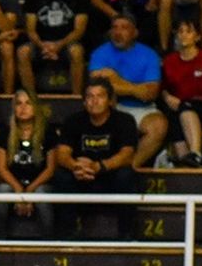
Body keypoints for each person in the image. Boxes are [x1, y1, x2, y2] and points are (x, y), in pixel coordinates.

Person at [51, 76, 141, 237]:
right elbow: (62, 154)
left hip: (109, 177)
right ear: (84, 101)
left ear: (110, 101)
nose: (94, 101)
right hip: (82, 177)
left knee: (126, 175)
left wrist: (98, 166)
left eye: (100, 96)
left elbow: (127, 155)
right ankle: (66, 235)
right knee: (61, 176)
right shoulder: (73, 121)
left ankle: (126, 235)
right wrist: (76, 166)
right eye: (90, 96)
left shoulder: (124, 120)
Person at [88, 9, 167, 167]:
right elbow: (97, 88)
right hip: (111, 107)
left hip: (142, 109)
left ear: (135, 32)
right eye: (115, 27)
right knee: (101, 100)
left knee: (159, 126)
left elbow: (151, 93)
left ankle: (128, 167)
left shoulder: (149, 55)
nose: (118, 32)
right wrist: (136, 89)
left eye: (124, 28)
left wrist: (116, 80)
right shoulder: (100, 53)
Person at [159, 18, 202, 168]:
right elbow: (163, 88)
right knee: (174, 116)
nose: (183, 35)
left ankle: (196, 154)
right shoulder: (169, 61)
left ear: (197, 37)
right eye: (180, 32)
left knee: (185, 106)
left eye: (188, 31)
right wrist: (167, 96)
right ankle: (185, 162)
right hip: (180, 109)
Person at [19, 0, 88, 96]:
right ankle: (31, 99)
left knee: (77, 52)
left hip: (67, 43)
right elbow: (30, 29)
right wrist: (42, 45)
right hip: (40, 44)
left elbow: (79, 30)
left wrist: (58, 45)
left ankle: (75, 99)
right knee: (23, 52)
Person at [0, 88, 57, 237]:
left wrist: (29, 191)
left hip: (40, 184)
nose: (23, 108)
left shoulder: (47, 131)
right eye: (19, 104)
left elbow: (50, 168)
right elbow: (1, 168)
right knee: (2, 191)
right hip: (12, 184)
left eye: (28, 103)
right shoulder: (6, 131)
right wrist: (19, 190)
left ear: (35, 107)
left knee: (41, 194)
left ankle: (48, 242)